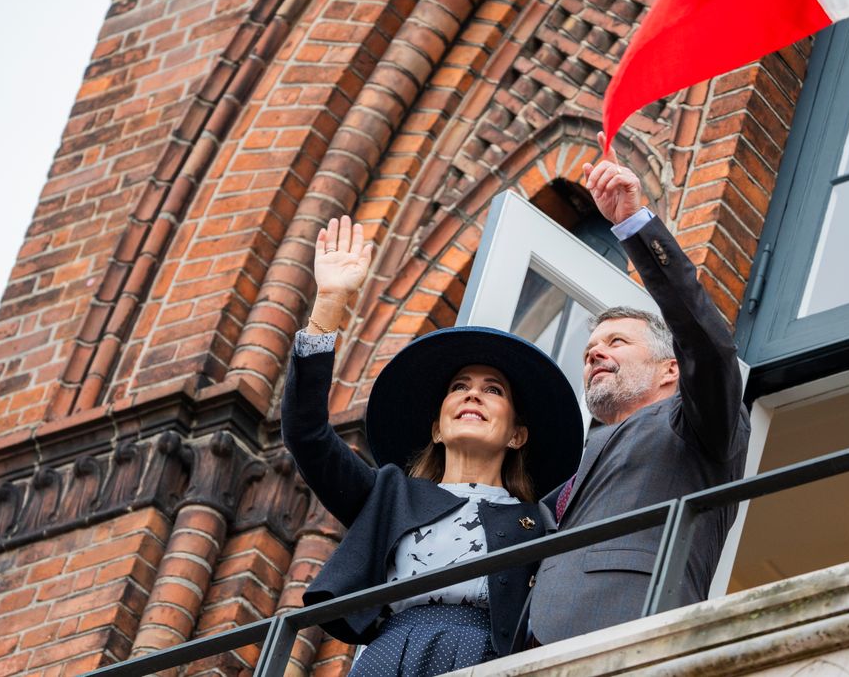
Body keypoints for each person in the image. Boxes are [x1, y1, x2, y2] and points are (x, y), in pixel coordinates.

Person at [281, 217, 584, 676]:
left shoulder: (538, 522)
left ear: (516, 435)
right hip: (390, 656)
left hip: (484, 660)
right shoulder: (389, 495)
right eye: (459, 386)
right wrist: (329, 303)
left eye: (493, 390)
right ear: (437, 429)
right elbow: (307, 433)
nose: (472, 394)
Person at [527, 132, 751, 644]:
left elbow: (706, 342)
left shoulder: (697, 426)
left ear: (670, 370)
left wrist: (633, 224)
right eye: (589, 350)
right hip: (533, 645)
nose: (593, 354)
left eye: (617, 342)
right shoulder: (576, 464)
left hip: (630, 626)